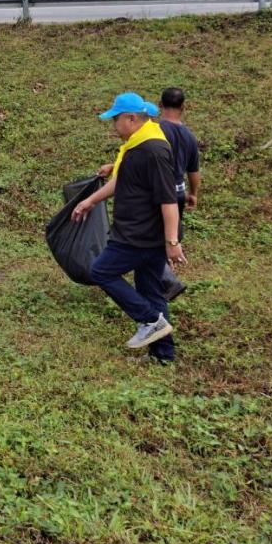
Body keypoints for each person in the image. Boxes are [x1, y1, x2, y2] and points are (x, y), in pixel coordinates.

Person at [73, 93, 185, 364]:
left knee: (100, 271)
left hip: (139, 235)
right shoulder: (136, 145)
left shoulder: (152, 149)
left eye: (116, 120)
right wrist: (90, 201)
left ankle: (148, 319)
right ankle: (163, 355)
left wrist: (172, 242)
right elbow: (122, 181)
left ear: (132, 118)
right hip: (142, 233)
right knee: (150, 290)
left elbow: (168, 200)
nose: (114, 126)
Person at [157, 87, 201, 239]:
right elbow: (193, 171)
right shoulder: (190, 137)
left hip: (159, 193)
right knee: (172, 236)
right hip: (178, 193)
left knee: (156, 238)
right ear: (183, 107)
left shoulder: (156, 131)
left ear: (160, 104)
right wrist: (193, 194)